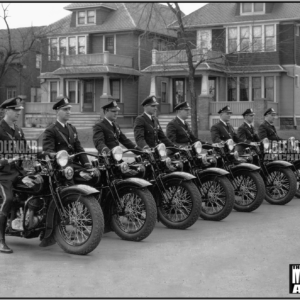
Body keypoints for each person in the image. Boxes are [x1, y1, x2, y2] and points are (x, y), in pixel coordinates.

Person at [42, 96, 96, 246]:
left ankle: (91, 217)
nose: (68, 112)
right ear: (57, 111)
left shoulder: (71, 128)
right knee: (67, 192)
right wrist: (59, 157)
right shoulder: (51, 130)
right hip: (60, 168)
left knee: (95, 177)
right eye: (65, 110)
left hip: (73, 166)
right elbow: (47, 151)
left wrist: (88, 165)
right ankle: (64, 226)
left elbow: (79, 149)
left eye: (69, 110)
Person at [0, 97, 26, 253]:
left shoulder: (18, 130)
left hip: (17, 171)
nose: (18, 113)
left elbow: (25, 151)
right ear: (6, 110)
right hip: (2, 174)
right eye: (15, 110)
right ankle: (1, 240)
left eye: (19, 110)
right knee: (8, 199)